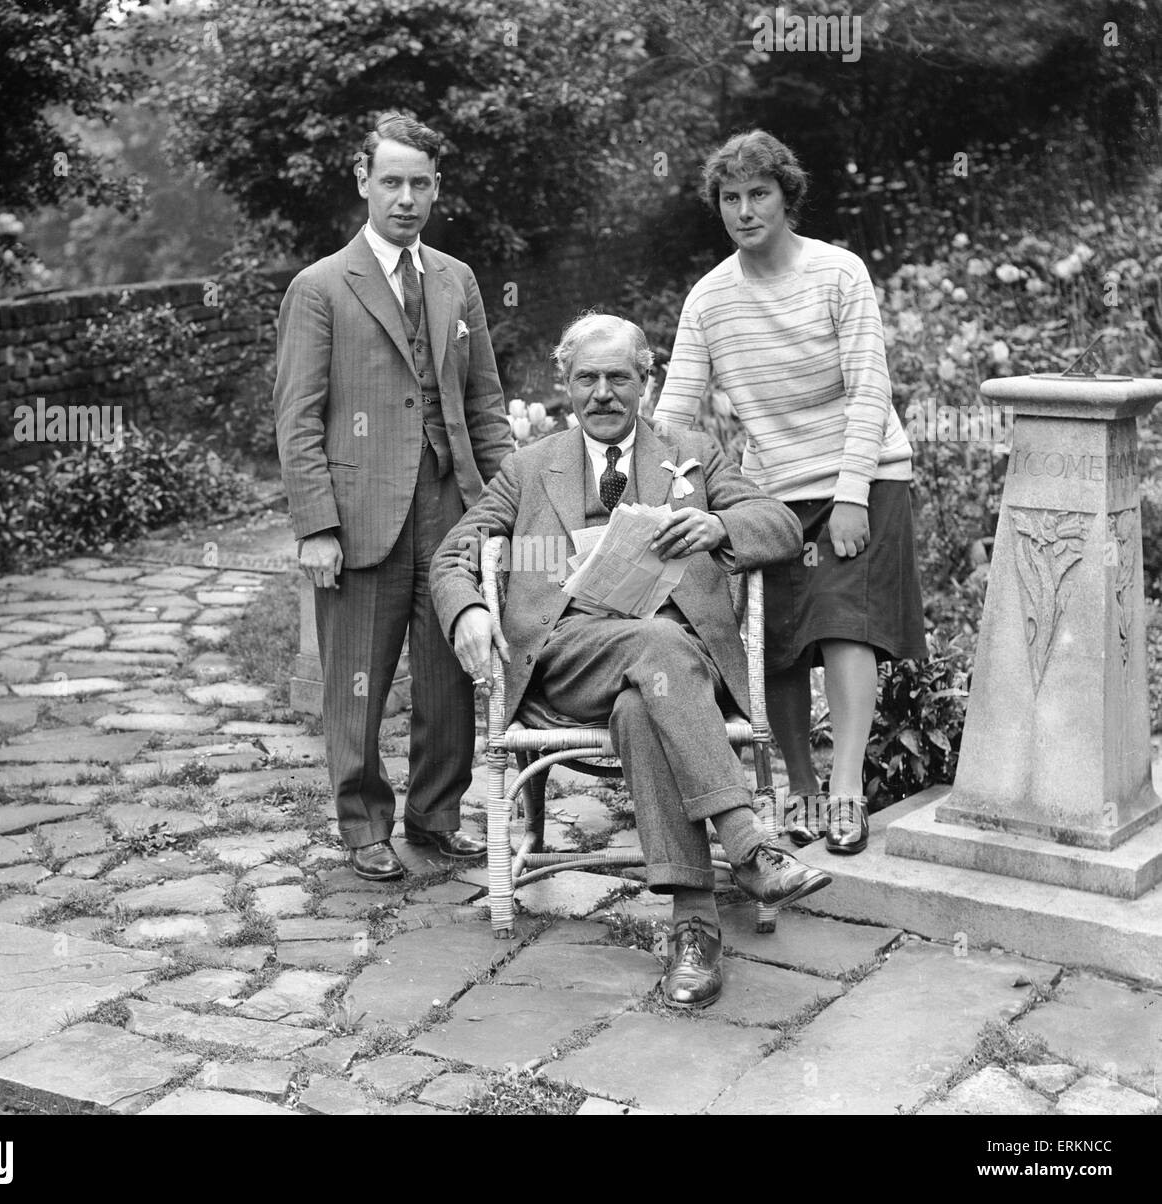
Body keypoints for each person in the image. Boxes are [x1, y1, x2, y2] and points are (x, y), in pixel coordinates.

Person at [431, 314, 831, 1010]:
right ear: (564, 385)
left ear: (647, 382)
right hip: (569, 659)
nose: (604, 393)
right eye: (587, 378)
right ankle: (747, 843)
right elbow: (454, 552)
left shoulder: (692, 452)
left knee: (645, 699)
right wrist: (467, 608)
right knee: (659, 646)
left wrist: (720, 525)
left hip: (673, 675)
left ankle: (694, 931)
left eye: (620, 377)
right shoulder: (529, 469)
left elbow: (783, 526)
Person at [652, 129, 928, 856]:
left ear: (787, 196)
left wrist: (850, 496)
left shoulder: (839, 274)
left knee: (842, 623)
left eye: (758, 194)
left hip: (861, 473)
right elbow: (677, 409)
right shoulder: (710, 298)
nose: (744, 211)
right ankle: (797, 791)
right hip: (769, 491)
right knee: (774, 644)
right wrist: (636, 480)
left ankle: (844, 793)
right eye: (730, 198)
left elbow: (871, 389)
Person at [274, 112, 514, 881]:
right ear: (363, 183)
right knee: (358, 679)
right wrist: (316, 524)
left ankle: (437, 815)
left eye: (419, 183)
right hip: (360, 511)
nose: (405, 198)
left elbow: (484, 405)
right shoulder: (319, 287)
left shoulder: (456, 279)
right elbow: (297, 416)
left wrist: (512, 500)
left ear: (436, 188)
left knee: (450, 671)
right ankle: (363, 823)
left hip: (448, 507)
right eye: (391, 182)